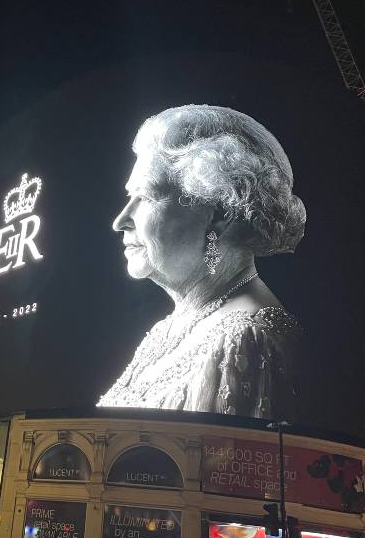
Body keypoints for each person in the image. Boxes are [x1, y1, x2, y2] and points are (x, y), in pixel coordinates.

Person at [98, 105, 306, 418]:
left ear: (217, 214)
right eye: (130, 197)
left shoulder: (244, 336)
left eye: (147, 197)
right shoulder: (168, 330)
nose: (120, 220)